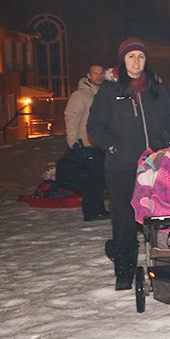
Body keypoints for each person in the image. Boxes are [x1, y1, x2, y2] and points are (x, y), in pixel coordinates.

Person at [87, 38, 170, 290]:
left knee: (160, 217)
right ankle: (124, 272)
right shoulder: (110, 89)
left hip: (155, 164)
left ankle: (164, 264)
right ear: (122, 60)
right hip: (122, 166)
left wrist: (167, 144)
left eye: (140, 56)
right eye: (131, 57)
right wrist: (113, 146)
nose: (136, 61)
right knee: (125, 220)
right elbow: (95, 126)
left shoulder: (156, 87)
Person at [64, 63, 109, 222]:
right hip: (86, 144)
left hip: (100, 145)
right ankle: (92, 212)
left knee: (100, 178)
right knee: (92, 180)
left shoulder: (103, 94)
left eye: (101, 73)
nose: (99, 76)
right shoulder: (80, 95)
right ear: (88, 76)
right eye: (95, 73)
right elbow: (72, 117)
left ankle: (98, 209)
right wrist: (74, 142)